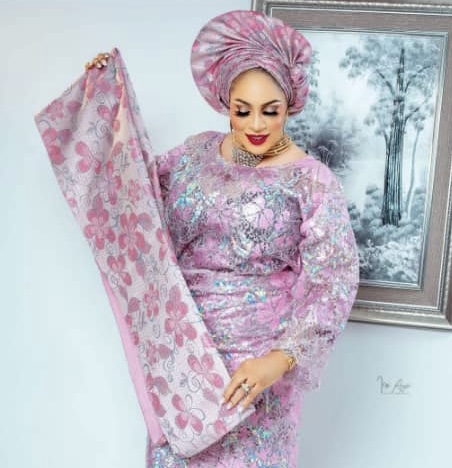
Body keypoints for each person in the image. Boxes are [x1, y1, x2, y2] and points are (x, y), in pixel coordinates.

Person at [42, 9, 359, 468]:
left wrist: (278, 360)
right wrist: (105, 99)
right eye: (242, 110)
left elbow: (334, 283)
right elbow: (132, 193)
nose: (256, 125)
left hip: (256, 376)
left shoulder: (312, 182)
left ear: (290, 104)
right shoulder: (193, 154)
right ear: (225, 102)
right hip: (181, 363)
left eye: (270, 111)